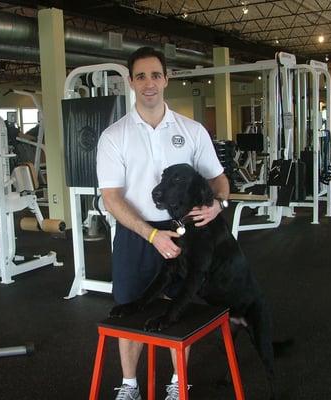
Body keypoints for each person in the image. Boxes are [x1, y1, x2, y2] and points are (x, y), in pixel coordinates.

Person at [96, 46, 230, 400]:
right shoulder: (114, 136)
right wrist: (151, 233)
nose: (149, 83)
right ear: (130, 82)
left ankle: (176, 381)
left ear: (166, 79)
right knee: (129, 309)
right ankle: (129, 386)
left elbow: (219, 181)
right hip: (136, 234)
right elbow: (111, 198)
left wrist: (218, 204)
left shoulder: (192, 130)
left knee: (179, 307)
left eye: (155, 74)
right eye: (141, 76)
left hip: (185, 234)